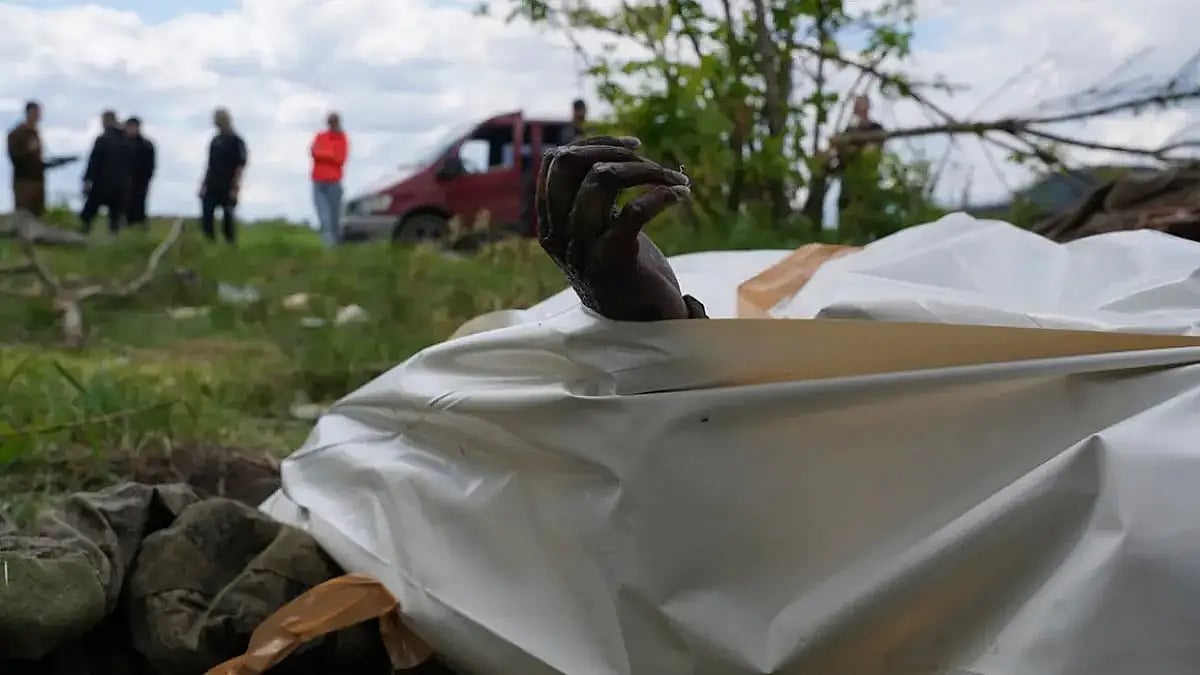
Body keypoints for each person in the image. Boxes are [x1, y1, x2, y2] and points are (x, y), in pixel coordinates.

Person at [6, 100, 76, 217]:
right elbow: (15, 158)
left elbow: (37, 163)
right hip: (24, 181)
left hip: (38, 181)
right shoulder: (17, 133)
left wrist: (59, 162)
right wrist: (28, 150)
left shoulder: (35, 133)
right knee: (23, 216)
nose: (38, 116)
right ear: (28, 112)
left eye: (39, 113)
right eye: (35, 112)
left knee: (37, 215)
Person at [830, 94, 885, 217]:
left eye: (860, 104)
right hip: (849, 180)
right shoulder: (849, 130)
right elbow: (841, 153)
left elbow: (874, 148)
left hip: (867, 178)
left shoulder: (875, 128)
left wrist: (853, 146)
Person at [199, 107, 248, 244]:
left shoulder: (237, 141)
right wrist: (203, 184)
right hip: (212, 182)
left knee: (228, 217)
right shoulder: (214, 141)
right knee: (207, 214)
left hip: (228, 183)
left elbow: (240, 165)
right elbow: (209, 164)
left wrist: (235, 187)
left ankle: (230, 243)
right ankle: (209, 242)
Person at [80, 109, 132, 234]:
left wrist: (87, 180)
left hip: (101, 183)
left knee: (89, 213)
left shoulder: (103, 140)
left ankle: (84, 233)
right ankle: (113, 240)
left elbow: (93, 162)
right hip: (120, 185)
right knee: (115, 216)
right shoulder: (127, 141)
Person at [309, 112, 348, 247]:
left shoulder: (342, 139)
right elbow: (313, 152)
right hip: (318, 181)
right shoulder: (320, 136)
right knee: (324, 217)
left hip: (334, 182)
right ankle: (328, 248)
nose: (331, 124)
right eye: (330, 121)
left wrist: (322, 154)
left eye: (334, 121)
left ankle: (337, 247)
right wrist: (330, 154)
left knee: (335, 219)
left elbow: (340, 159)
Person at [123, 116, 156, 227]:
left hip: (140, 181)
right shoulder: (121, 144)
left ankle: (139, 226)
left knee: (139, 205)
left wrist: (146, 179)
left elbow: (151, 165)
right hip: (122, 181)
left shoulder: (146, 145)